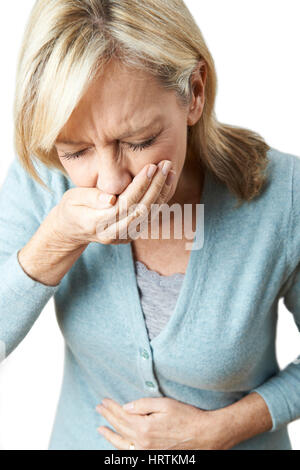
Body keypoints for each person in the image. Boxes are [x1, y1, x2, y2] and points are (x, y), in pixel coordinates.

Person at [0, 0, 299, 450]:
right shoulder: (44, 177)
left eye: (137, 141)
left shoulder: (284, 196)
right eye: (76, 151)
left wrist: (226, 427)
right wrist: (58, 237)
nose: (112, 181)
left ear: (195, 92)